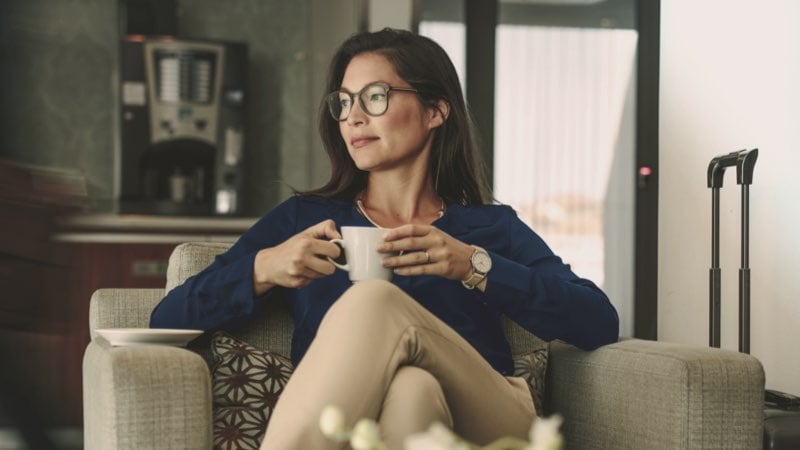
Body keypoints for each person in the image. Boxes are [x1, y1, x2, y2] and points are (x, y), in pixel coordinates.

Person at [150, 28, 619, 450]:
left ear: (435, 111)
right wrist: (262, 269)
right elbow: (165, 319)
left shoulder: (489, 228)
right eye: (344, 101)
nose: (353, 116)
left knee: (375, 299)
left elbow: (598, 321)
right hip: (374, 431)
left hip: (492, 418)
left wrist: (474, 266)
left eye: (375, 97)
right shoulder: (304, 220)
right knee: (412, 388)